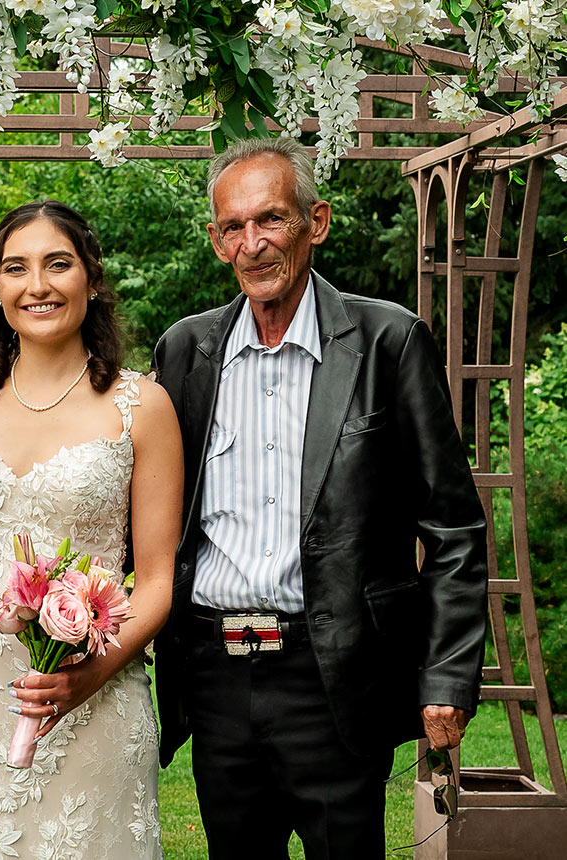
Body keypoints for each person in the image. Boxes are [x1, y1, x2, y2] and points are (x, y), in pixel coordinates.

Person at [152, 136, 489, 857]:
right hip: (215, 674)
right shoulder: (184, 352)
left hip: (336, 673)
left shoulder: (386, 341)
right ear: (215, 243)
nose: (252, 244)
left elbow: (453, 525)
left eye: (270, 219)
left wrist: (447, 674)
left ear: (317, 222)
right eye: (233, 228)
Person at [0, 201, 183, 858]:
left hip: (93, 683)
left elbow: (155, 579)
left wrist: (87, 676)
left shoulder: (141, 406)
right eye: (15, 268)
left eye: (56, 264)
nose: (36, 285)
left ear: (91, 279)